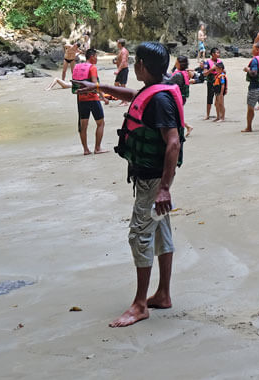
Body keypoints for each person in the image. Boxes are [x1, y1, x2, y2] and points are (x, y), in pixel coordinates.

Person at [80, 42, 184, 327]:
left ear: (143, 67)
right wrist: (98, 88)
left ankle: (140, 305)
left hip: (153, 179)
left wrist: (164, 188)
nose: (135, 66)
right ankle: (162, 294)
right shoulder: (157, 87)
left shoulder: (161, 100)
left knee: (139, 235)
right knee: (161, 231)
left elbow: (173, 143)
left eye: (137, 62)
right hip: (152, 177)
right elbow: (134, 95)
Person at [70, 49, 106, 155]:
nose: (97, 58)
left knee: (83, 125)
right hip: (93, 98)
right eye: (96, 56)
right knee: (100, 123)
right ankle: (97, 148)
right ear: (92, 56)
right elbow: (95, 84)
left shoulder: (79, 66)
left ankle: (85, 150)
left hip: (81, 99)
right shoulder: (92, 67)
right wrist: (103, 97)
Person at [168, 56, 194, 137]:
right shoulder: (184, 72)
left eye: (176, 61)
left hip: (178, 97)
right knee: (176, 114)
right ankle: (187, 126)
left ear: (179, 63)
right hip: (182, 97)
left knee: (175, 115)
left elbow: (168, 82)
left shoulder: (179, 74)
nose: (175, 62)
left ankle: (185, 128)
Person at [202, 49, 221, 120]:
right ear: (213, 54)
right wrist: (212, 69)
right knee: (209, 97)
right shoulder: (207, 62)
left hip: (218, 81)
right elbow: (204, 73)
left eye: (219, 53)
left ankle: (219, 115)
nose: (218, 54)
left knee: (218, 98)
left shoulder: (220, 62)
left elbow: (224, 72)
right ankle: (207, 115)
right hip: (210, 81)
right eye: (217, 53)